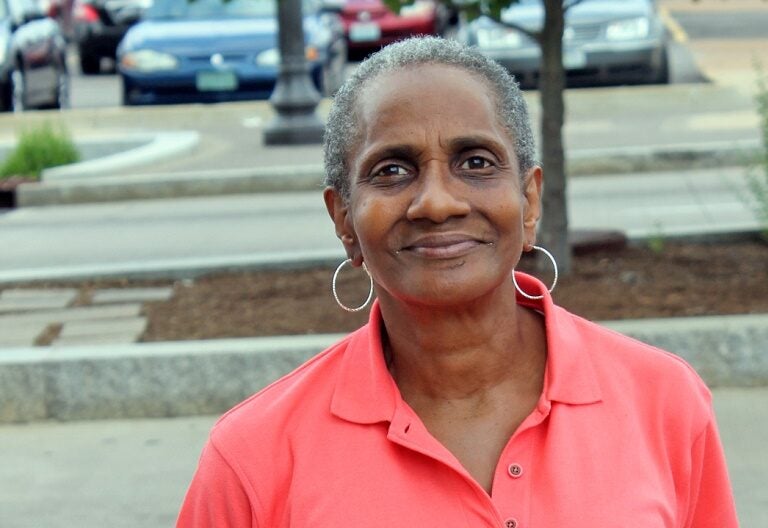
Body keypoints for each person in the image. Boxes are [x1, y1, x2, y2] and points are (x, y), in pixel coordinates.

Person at [177, 36, 738, 527]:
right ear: (344, 219)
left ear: (529, 200)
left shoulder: (662, 401)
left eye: (475, 162)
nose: (437, 203)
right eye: (392, 169)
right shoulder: (255, 455)